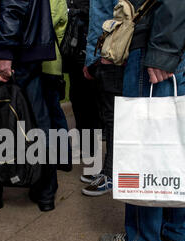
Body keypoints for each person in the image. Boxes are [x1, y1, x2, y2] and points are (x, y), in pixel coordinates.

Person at [100, 0, 185, 241]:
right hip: (180, 34)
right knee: (171, 146)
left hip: (158, 39)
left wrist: (162, 49)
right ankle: (174, 232)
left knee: (144, 147)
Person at [0, 0, 58, 212]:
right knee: (39, 121)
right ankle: (44, 190)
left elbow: (14, 4)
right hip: (21, 48)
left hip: (6, 51)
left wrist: (5, 52)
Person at [81, 0, 123, 197]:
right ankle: (107, 170)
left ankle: (112, 174)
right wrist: (91, 59)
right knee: (107, 117)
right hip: (100, 56)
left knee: (114, 119)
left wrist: (105, 55)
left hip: (112, 57)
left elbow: (121, 17)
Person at [65, 0, 101, 158]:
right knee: (77, 97)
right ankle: (84, 145)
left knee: (88, 99)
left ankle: (91, 149)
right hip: (76, 47)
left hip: (89, 45)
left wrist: (74, 11)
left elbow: (96, 14)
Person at [42, 0, 72, 172]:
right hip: (52, 61)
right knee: (54, 111)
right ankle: (63, 157)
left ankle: (60, 157)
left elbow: (49, 22)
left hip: (48, 63)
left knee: (51, 111)